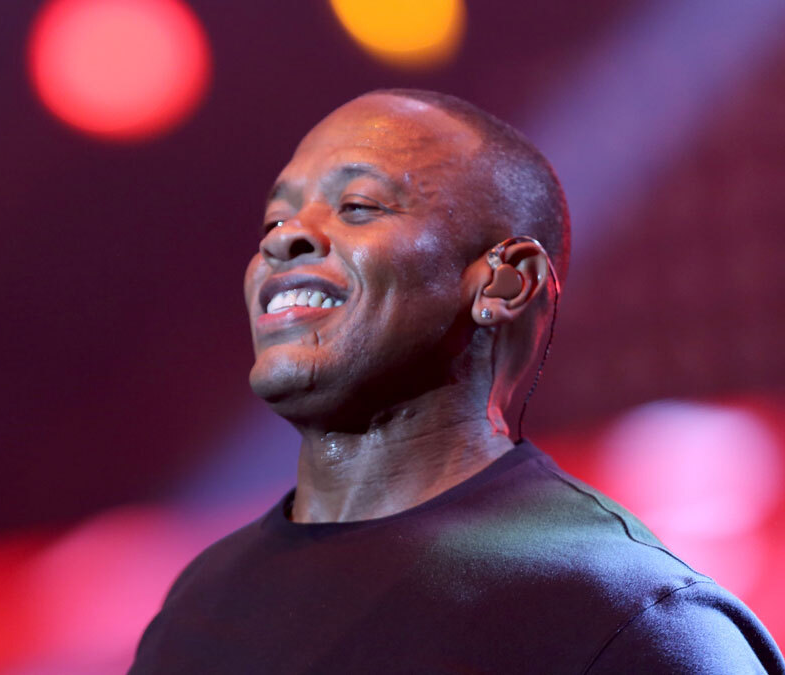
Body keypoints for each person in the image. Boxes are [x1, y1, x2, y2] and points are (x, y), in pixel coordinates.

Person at [127, 90, 785, 673]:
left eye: (357, 206)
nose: (284, 239)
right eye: (275, 221)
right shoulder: (201, 602)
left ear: (505, 282)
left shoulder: (627, 621)